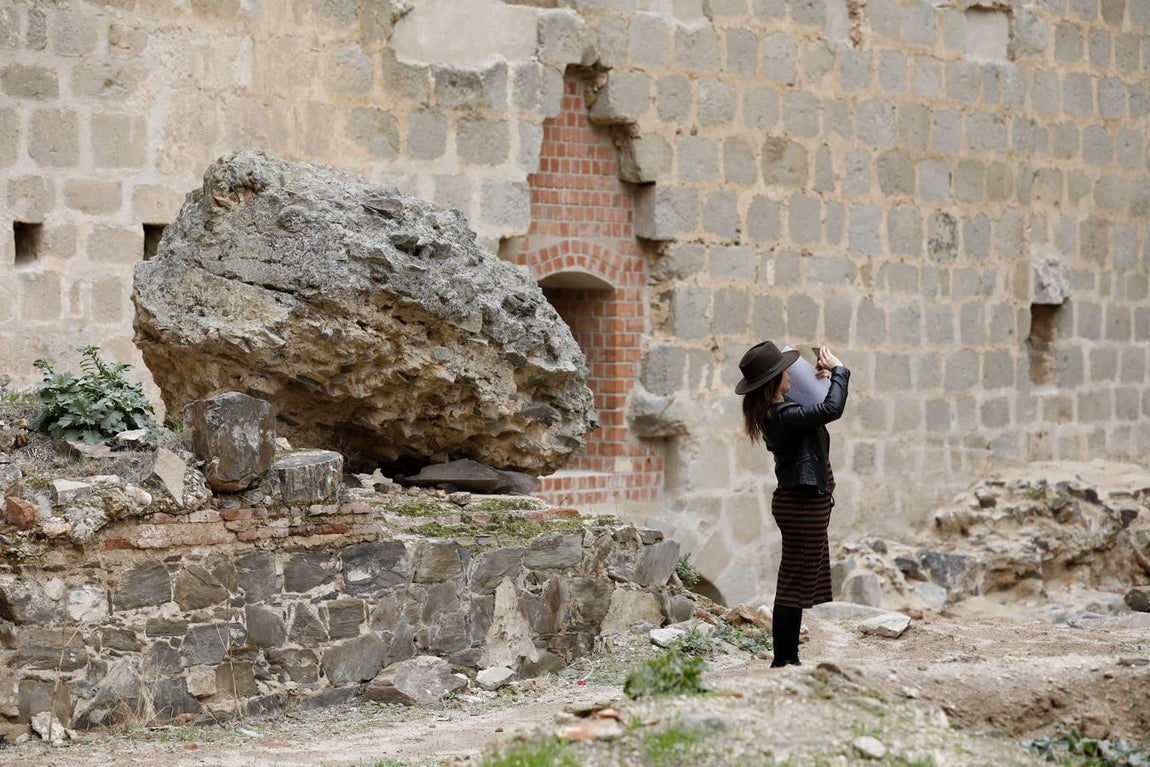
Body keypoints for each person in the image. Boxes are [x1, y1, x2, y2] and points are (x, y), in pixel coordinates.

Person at [735, 340, 850, 667]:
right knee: (792, 583)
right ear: (772, 381)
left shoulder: (781, 410)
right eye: (782, 370)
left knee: (795, 580)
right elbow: (831, 409)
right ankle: (783, 659)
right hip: (801, 503)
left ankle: (789, 658)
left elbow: (819, 405)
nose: (789, 373)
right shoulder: (781, 415)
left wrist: (822, 379)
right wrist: (839, 370)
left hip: (802, 501)